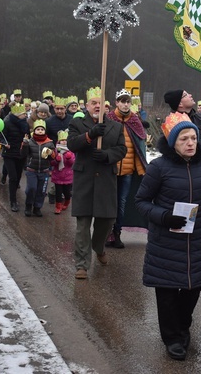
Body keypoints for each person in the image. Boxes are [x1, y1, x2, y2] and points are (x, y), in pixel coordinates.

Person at [135, 112, 201, 361]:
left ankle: (183, 326)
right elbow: (141, 202)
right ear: (173, 142)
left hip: (196, 241)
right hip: (166, 241)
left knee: (192, 291)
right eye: (184, 138)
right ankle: (172, 338)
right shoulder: (159, 167)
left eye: (193, 137)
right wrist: (164, 216)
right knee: (166, 295)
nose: (190, 143)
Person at [67, 87, 127, 280]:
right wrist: (90, 135)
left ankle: (98, 247)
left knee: (107, 220)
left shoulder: (116, 126)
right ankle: (82, 264)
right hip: (84, 179)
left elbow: (121, 150)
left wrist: (107, 155)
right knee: (83, 224)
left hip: (106, 180)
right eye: (94, 103)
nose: (97, 106)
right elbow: (72, 144)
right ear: (87, 105)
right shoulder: (77, 123)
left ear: (106, 107)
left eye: (101, 104)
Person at [105, 89, 147, 249]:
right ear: (116, 102)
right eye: (122, 101)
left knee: (121, 203)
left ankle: (117, 233)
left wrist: (142, 169)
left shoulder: (135, 121)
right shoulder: (109, 119)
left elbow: (138, 148)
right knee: (109, 203)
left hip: (128, 172)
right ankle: (106, 233)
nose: (125, 104)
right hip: (110, 170)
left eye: (127, 101)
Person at [0, 103, 30, 212]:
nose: (25, 116)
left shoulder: (25, 124)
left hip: (21, 153)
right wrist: (4, 143)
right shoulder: (7, 122)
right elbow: (1, 137)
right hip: (9, 154)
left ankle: (14, 196)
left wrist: (27, 142)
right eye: (23, 114)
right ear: (18, 115)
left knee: (17, 177)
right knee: (12, 177)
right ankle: (13, 201)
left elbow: (28, 136)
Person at [23, 119, 55, 217]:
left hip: (44, 171)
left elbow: (53, 157)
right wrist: (24, 144)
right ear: (34, 131)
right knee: (32, 188)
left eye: (42, 129)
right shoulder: (30, 142)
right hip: (32, 170)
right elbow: (24, 154)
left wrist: (51, 153)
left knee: (41, 190)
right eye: (38, 129)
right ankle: (28, 205)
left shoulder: (49, 143)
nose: (40, 131)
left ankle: (37, 207)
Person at [51, 130, 74, 214]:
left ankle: (67, 201)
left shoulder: (71, 151)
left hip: (67, 176)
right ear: (59, 141)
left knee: (67, 193)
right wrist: (56, 160)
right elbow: (52, 163)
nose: (64, 142)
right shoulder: (56, 150)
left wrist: (69, 158)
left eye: (65, 140)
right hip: (58, 175)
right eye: (62, 140)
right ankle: (58, 206)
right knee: (58, 193)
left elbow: (73, 163)